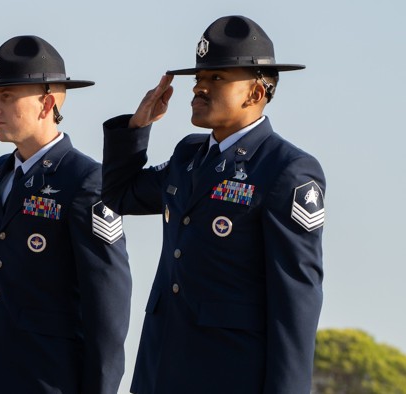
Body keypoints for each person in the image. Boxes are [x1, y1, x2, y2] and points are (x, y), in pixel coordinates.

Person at [101, 15, 325, 393]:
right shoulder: (188, 154)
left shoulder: (287, 170)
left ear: (256, 93)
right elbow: (120, 195)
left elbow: (296, 303)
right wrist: (136, 130)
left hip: (228, 375)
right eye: (199, 79)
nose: (200, 89)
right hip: (160, 372)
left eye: (217, 79)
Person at [0, 35, 132, 393]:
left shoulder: (85, 180)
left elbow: (108, 305)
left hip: (47, 378)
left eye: (6, 97)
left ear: (46, 102)